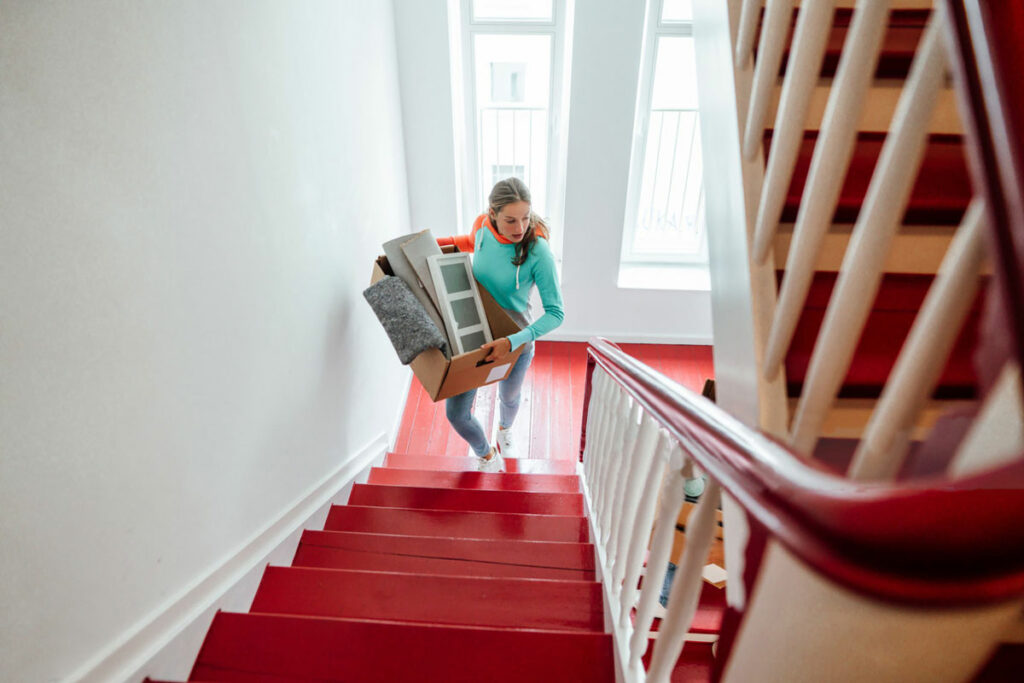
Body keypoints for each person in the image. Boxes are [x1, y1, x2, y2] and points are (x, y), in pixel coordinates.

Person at [437, 177, 564, 472]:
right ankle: (485, 455)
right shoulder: (482, 224)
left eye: (525, 218)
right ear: (492, 214)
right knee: (456, 414)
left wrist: (515, 341)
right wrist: (429, 243)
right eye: (510, 220)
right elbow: (472, 243)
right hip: (474, 334)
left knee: (509, 395)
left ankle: (505, 431)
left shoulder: (538, 252)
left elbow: (556, 313)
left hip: (514, 342)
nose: (520, 228)